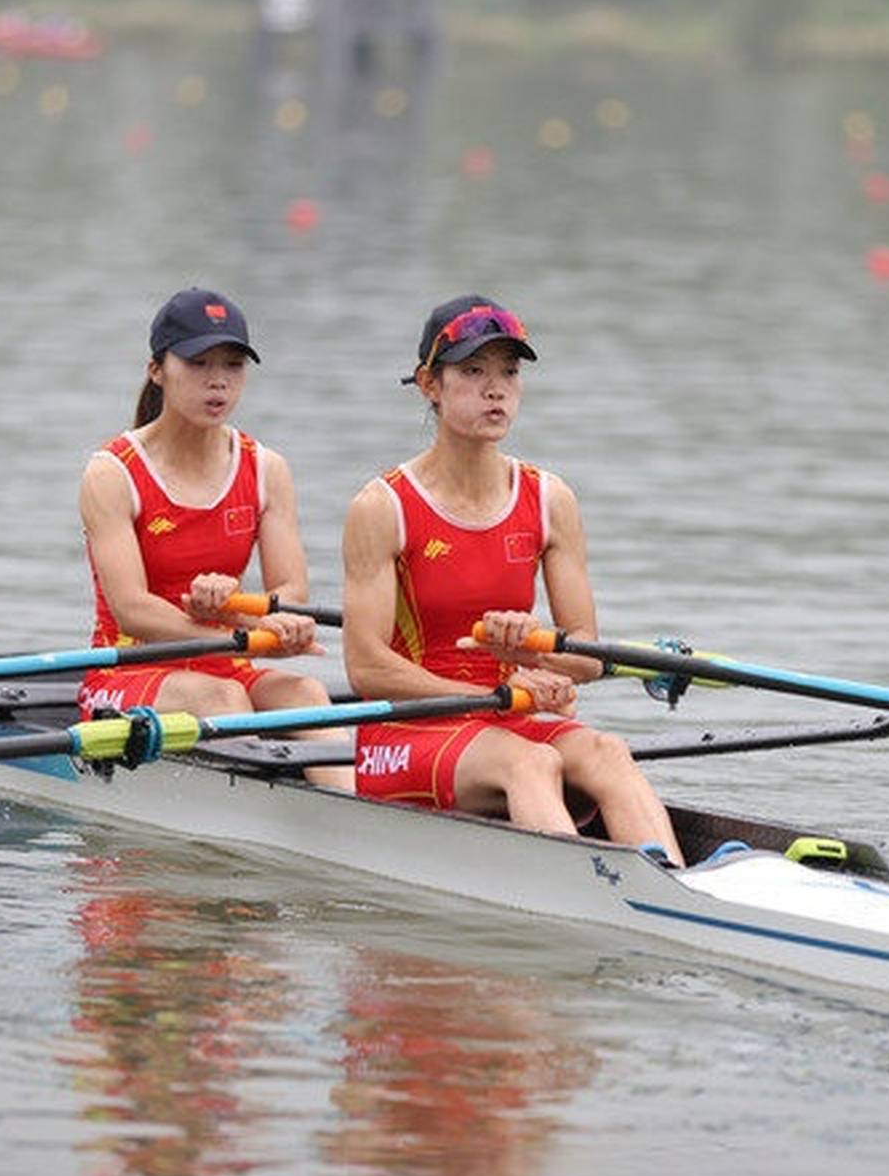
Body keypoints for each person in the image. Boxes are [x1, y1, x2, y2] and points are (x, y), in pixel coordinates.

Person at [339, 294, 685, 864]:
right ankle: (584, 892)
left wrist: (531, 653)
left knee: (607, 750)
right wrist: (490, 696)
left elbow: (586, 656)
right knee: (532, 761)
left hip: (506, 715)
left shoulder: (550, 499)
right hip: (405, 731)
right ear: (430, 385)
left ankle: (673, 886)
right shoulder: (383, 507)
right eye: (473, 371)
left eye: (509, 372)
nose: (495, 390)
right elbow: (366, 668)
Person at [78, 287, 354, 790]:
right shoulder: (112, 473)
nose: (218, 381)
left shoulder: (267, 468)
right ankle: (254, 815)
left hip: (228, 665)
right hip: (126, 673)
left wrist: (265, 620)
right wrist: (240, 632)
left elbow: (290, 592)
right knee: (223, 699)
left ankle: (356, 820)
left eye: (233, 365)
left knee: (307, 693)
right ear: (157, 370)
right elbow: (132, 609)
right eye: (198, 363)